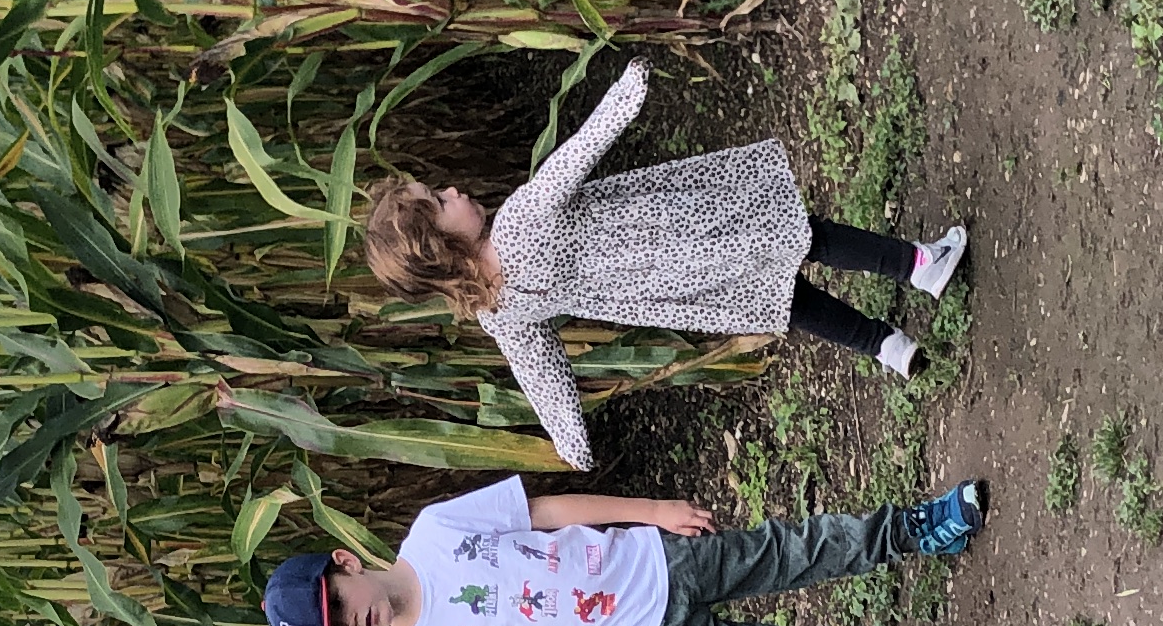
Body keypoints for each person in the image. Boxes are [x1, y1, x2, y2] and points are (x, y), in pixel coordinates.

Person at [358, 57, 969, 472]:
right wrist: (623, 97)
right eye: (440, 202)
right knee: (807, 238)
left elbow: (541, 373)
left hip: (674, 290)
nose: (454, 192)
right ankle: (922, 264)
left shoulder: (498, 308)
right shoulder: (516, 224)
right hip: (683, 227)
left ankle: (888, 347)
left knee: (786, 301)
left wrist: (570, 438)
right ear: (441, 245)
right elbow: (570, 162)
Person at [260, 474, 988, 626]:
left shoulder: (434, 531)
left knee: (790, 552)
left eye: (340, 604)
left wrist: (651, 512)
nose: (357, 622)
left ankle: (919, 528)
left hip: (654, 563)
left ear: (345, 562)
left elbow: (543, 512)